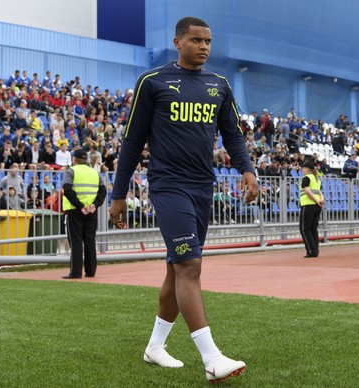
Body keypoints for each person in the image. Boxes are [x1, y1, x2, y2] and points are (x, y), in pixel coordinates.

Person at [107, 17, 259, 383]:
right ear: (178, 42)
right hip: (168, 185)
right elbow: (132, 141)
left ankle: (155, 348)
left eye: (208, 41)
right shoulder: (153, 82)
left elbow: (233, 135)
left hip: (202, 186)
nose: (204, 46)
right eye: (196, 40)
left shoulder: (219, 85)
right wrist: (119, 194)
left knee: (176, 268)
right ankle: (212, 358)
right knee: (190, 267)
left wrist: (247, 170)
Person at [61, 149, 107, 279]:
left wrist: (80, 206)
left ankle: (75, 272)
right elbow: (103, 192)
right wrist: (94, 205)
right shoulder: (95, 173)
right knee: (90, 240)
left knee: (76, 241)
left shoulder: (71, 171)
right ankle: (91, 271)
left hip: (75, 210)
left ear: (74, 159)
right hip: (91, 210)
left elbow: (67, 190)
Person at [299, 161, 325, 258]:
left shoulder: (306, 178)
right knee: (313, 229)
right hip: (317, 206)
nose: (302, 170)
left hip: (308, 204)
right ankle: (315, 250)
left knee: (305, 228)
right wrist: (320, 200)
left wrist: (316, 200)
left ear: (307, 169)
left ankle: (311, 251)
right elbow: (320, 192)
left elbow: (307, 191)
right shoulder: (317, 179)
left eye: (303, 168)